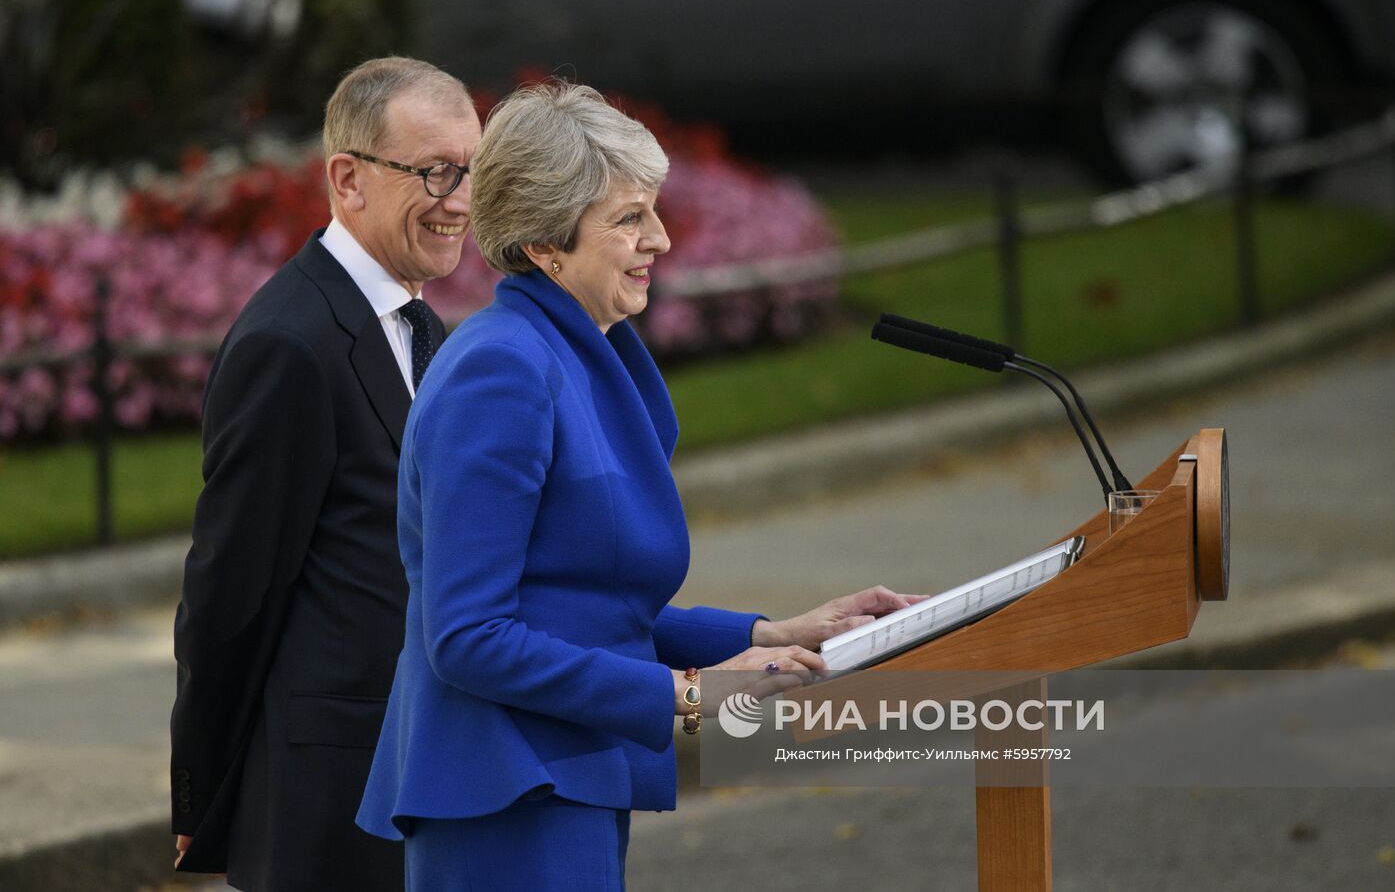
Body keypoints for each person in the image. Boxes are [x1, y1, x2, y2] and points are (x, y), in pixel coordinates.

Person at [355, 81, 924, 891]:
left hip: (561, 773)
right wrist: (690, 697)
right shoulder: (500, 370)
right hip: (505, 792)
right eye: (628, 218)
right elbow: (469, 636)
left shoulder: (584, 350)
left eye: (652, 210)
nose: (659, 237)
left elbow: (583, 601)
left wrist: (767, 633)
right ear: (547, 246)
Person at [169, 56, 480, 891]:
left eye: (473, 172)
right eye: (436, 172)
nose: (461, 201)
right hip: (330, 806)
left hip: (424, 778)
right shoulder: (290, 343)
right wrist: (196, 797)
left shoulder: (422, 326)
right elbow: (228, 597)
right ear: (348, 179)